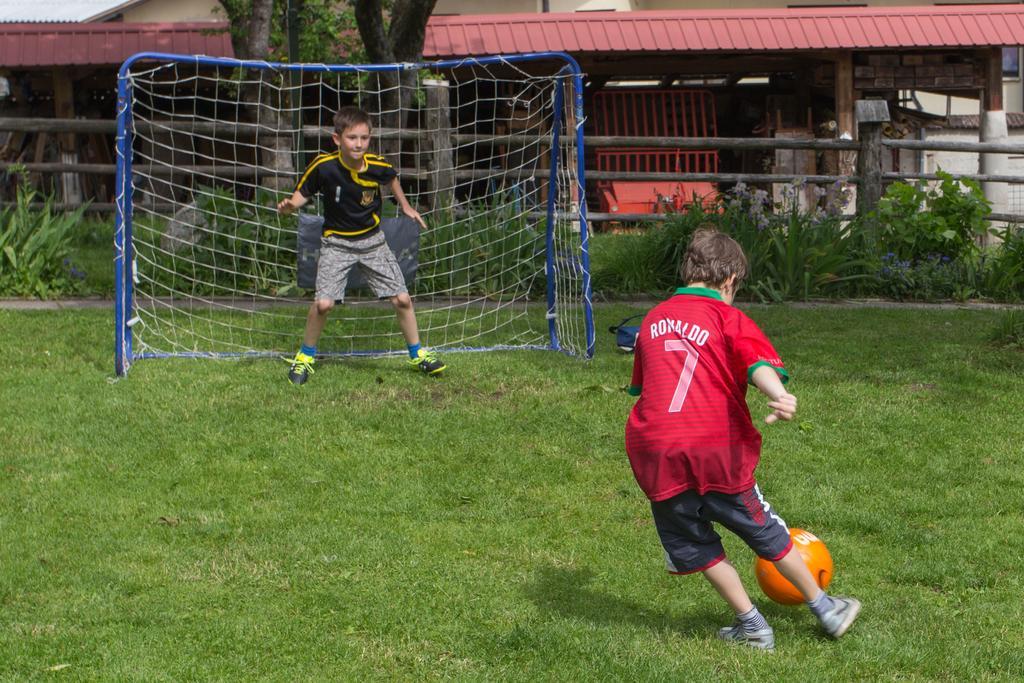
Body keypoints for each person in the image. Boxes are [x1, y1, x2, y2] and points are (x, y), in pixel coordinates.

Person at [624, 228, 860, 651]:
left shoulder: (654, 318)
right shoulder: (727, 317)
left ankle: (751, 624)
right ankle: (825, 607)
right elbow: (756, 364)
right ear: (730, 280)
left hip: (656, 450)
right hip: (716, 448)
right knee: (763, 529)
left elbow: (646, 383)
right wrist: (778, 394)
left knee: (693, 542)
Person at [277, 106, 446, 384]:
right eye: (352, 137)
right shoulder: (324, 166)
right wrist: (289, 206)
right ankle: (305, 357)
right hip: (336, 244)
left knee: (402, 299)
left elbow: (391, 177)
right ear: (337, 139)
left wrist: (405, 206)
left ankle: (418, 354)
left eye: (364, 138)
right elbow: (302, 194)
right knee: (323, 305)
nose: (358, 143)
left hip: (373, 243)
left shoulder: (377, 165)